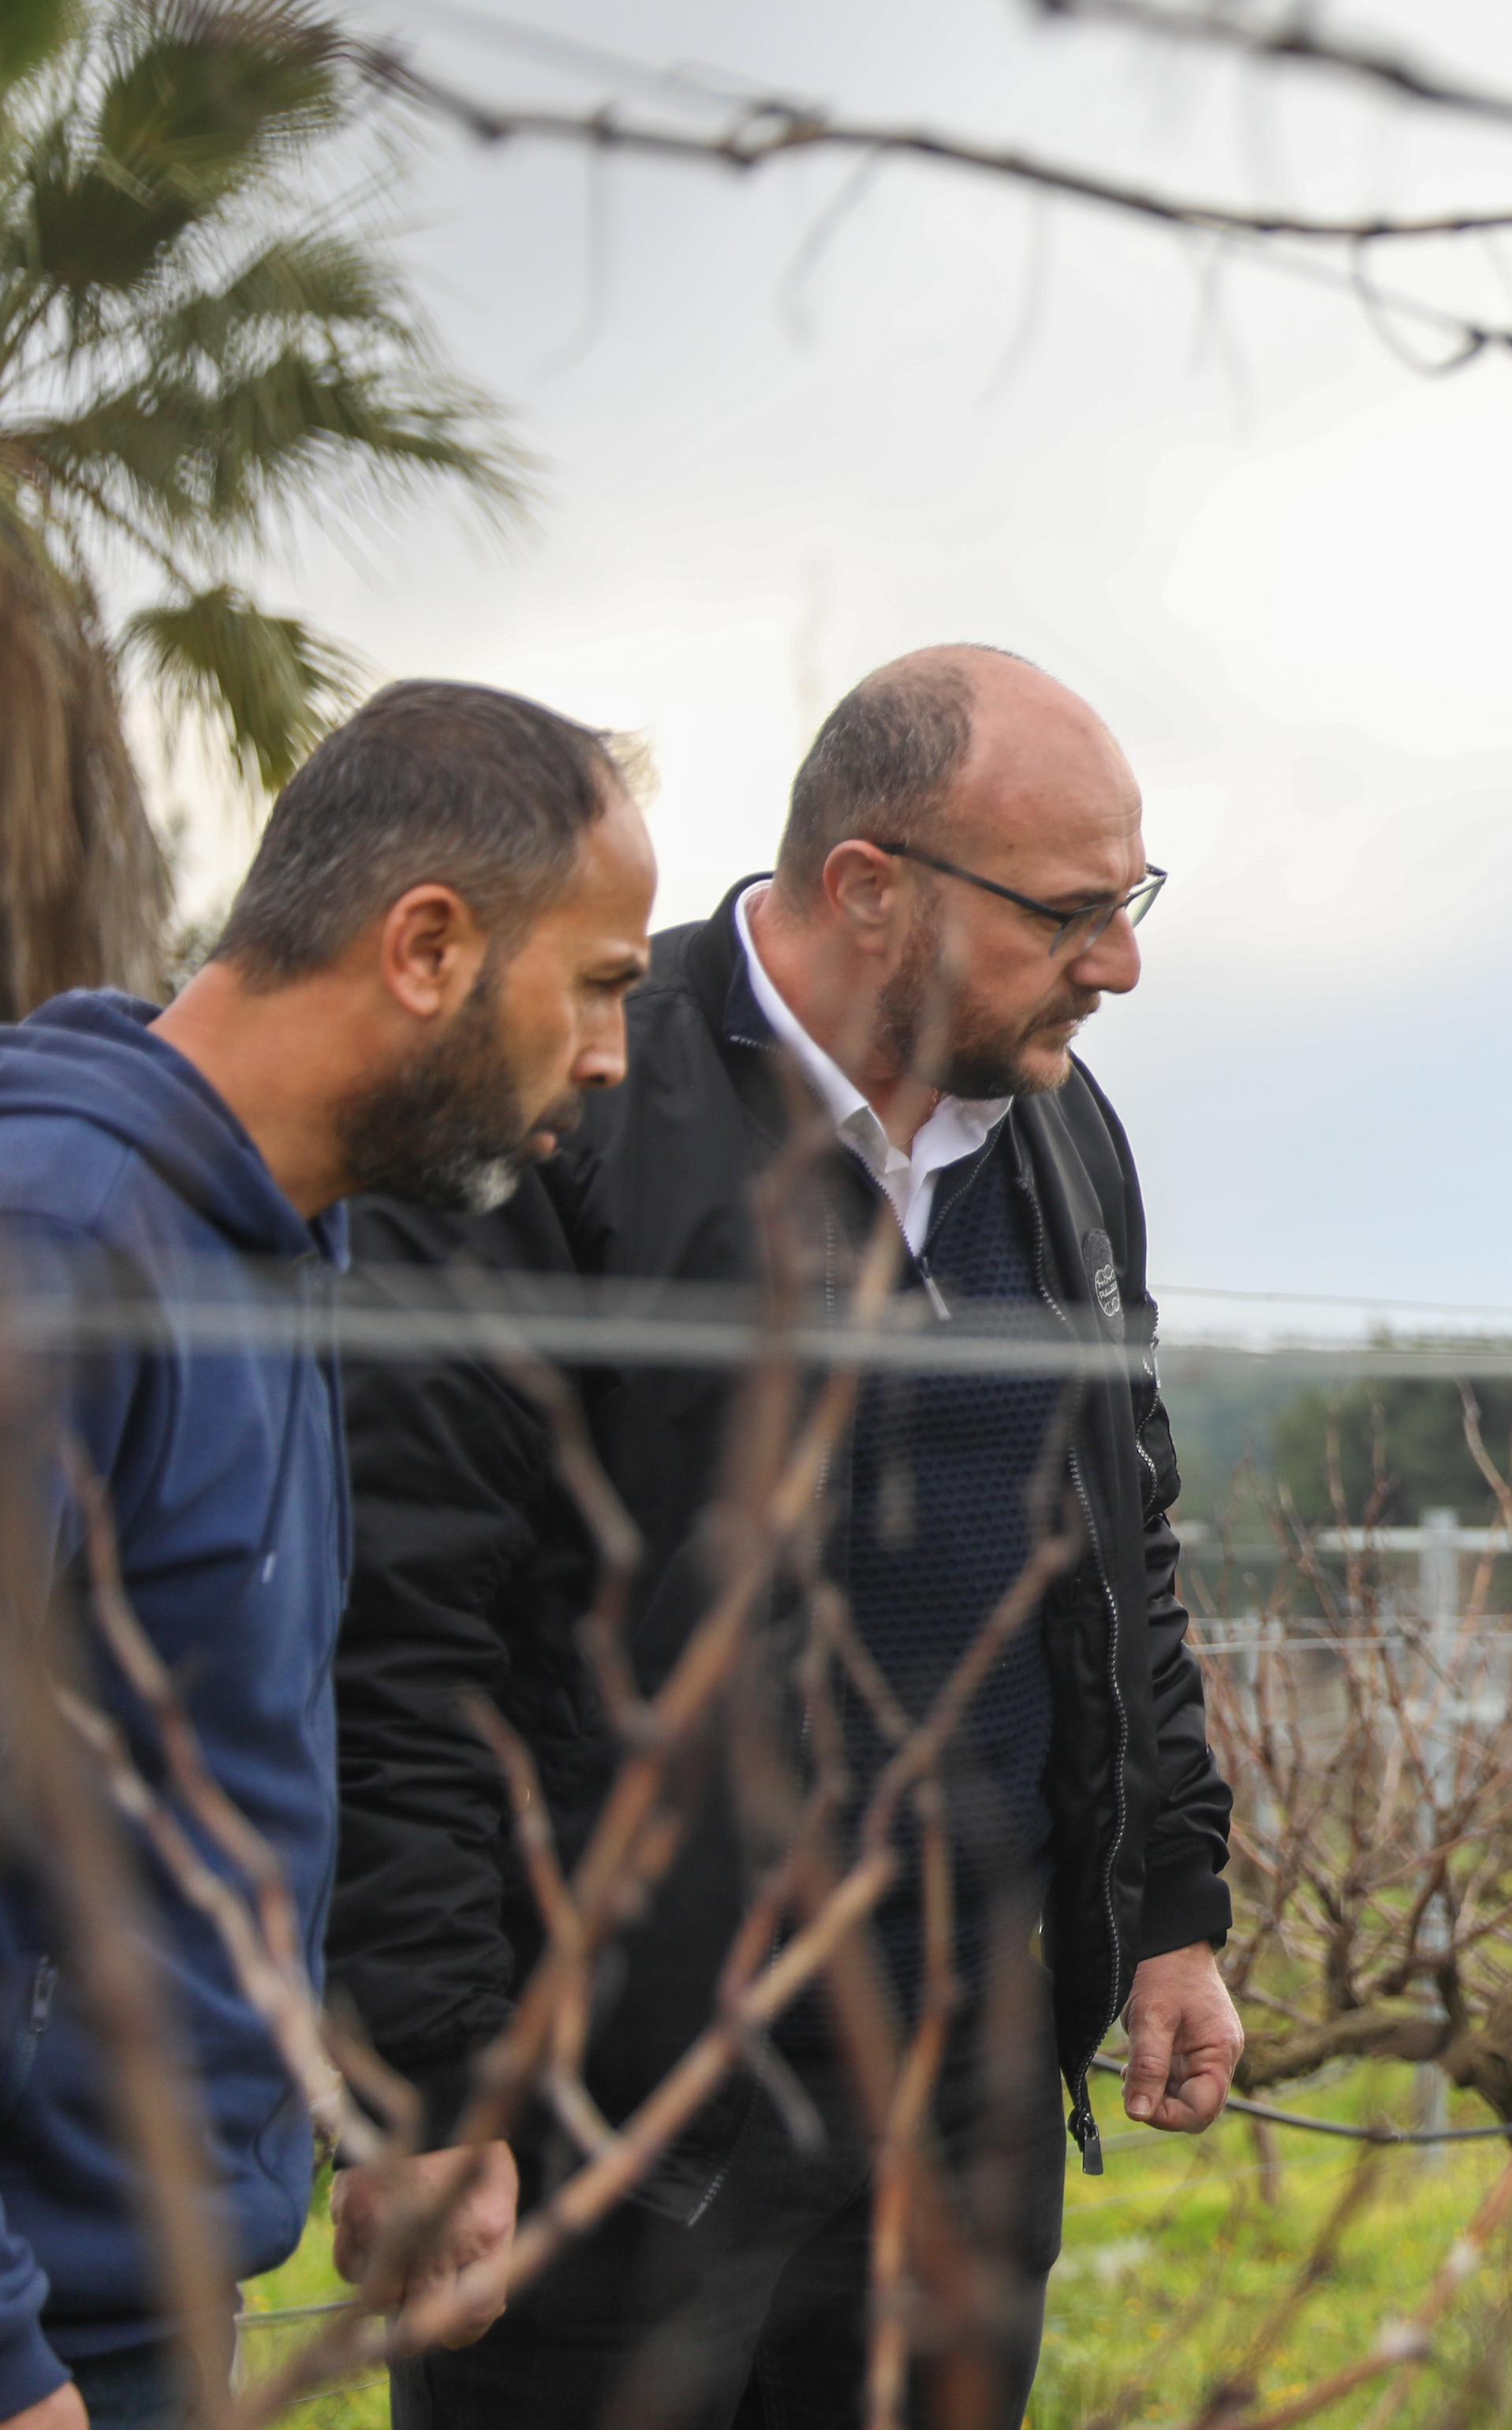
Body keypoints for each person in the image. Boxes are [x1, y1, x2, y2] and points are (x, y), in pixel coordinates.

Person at [329, 647, 1241, 2430]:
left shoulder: (1064, 1135)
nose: (1119, 962)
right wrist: (427, 2083)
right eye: (1070, 913)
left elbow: (1121, 1546)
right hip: (619, 2115)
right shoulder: (569, 1109)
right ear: (869, 890)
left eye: (1127, 904)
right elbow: (402, 1627)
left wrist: (1170, 1906)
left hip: (962, 2100)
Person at [0, 683, 653, 2430]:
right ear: (430, 947)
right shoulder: (59, 1246)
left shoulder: (279, 1248)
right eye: (597, 983)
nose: (608, 1058)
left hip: (142, 2289)